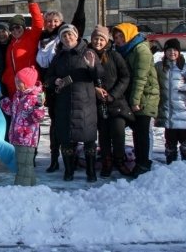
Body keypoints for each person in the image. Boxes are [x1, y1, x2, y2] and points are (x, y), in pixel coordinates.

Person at [36, 0, 88, 173]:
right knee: (55, 125)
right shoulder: (41, 38)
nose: (51, 23)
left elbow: (78, 24)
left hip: (68, 87)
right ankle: (54, 159)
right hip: (51, 87)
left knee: (70, 124)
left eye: (55, 21)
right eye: (48, 21)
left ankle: (71, 159)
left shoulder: (64, 36)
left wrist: (81, 2)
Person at [46, 24, 102, 182]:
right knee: (66, 139)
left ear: (76, 36)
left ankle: (91, 172)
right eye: (64, 36)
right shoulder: (59, 56)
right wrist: (54, 80)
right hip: (64, 103)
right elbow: (48, 77)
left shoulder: (89, 52)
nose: (67, 38)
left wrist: (92, 67)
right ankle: (68, 171)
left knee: (89, 139)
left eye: (70, 35)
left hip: (85, 103)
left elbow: (99, 75)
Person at [112, 22, 159, 177]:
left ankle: (143, 164)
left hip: (145, 96)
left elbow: (141, 78)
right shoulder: (125, 50)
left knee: (142, 131)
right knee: (137, 131)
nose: (118, 40)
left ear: (129, 35)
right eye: (116, 37)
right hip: (134, 96)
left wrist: (135, 101)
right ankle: (141, 162)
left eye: (121, 36)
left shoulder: (141, 50)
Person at [88, 25, 133, 177]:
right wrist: (94, 89)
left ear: (106, 41)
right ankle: (106, 160)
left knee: (118, 132)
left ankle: (119, 160)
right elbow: (83, 77)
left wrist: (113, 94)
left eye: (101, 39)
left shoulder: (114, 56)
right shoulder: (87, 55)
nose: (98, 42)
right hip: (97, 102)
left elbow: (125, 76)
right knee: (104, 134)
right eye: (95, 39)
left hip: (116, 101)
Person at [0, 66, 46, 186]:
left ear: (26, 83)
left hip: (27, 138)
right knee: (25, 164)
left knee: (23, 165)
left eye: (18, 81)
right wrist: (2, 99)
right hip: (16, 137)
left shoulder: (34, 98)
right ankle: (31, 186)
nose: (16, 83)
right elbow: (10, 111)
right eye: (16, 80)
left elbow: (38, 118)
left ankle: (21, 188)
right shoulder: (18, 96)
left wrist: (39, 107)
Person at [154, 38, 186, 164]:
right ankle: (171, 159)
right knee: (170, 138)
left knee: (185, 139)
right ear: (165, 52)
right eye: (169, 50)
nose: (172, 52)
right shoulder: (160, 67)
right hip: (168, 111)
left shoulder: (185, 67)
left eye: (175, 50)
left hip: (183, 110)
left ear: (179, 52)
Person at [1, 0, 45, 98]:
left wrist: (32, 3)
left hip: (29, 86)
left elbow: (38, 23)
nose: (15, 31)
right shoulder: (11, 42)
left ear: (23, 27)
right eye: (12, 29)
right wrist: (7, 80)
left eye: (18, 27)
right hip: (14, 87)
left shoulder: (31, 36)